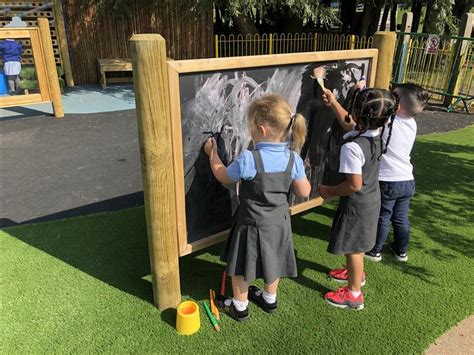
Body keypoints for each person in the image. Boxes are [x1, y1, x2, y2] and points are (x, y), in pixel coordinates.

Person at [204, 94, 311, 321]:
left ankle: (240, 306)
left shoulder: (249, 159)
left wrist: (212, 154)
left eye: (250, 127)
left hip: (251, 224)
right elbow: (304, 191)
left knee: (242, 266)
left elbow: (223, 176)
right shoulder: (293, 158)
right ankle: (269, 299)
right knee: (274, 259)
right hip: (279, 223)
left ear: (261, 130)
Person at [318, 88, 398, 310]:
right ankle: (355, 272)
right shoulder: (376, 133)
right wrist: (333, 102)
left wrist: (329, 191)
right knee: (358, 242)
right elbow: (348, 124)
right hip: (372, 199)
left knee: (354, 247)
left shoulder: (353, 147)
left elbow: (353, 185)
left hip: (358, 204)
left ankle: (353, 294)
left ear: (359, 113)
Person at [365, 83, 430, 262]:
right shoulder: (412, 123)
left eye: (393, 95)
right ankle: (401, 250)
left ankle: (375, 250)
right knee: (400, 217)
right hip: (407, 179)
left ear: (397, 106)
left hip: (388, 180)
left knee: (383, 216)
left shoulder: (387, 121)